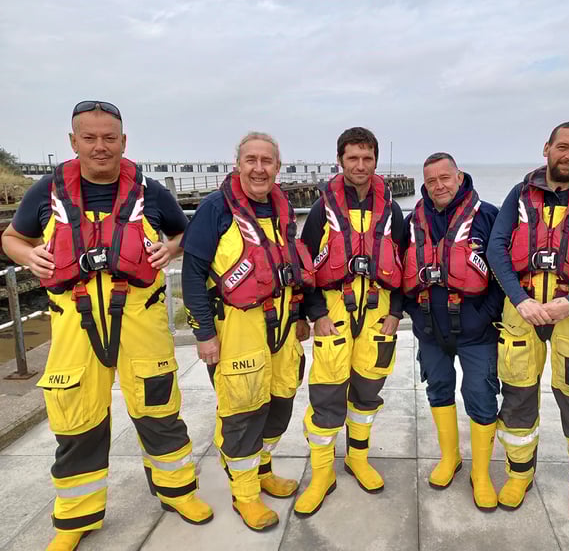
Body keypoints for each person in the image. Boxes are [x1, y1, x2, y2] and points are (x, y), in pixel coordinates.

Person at [1, 101, 212, 551]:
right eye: (90, 137)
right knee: (78, 424)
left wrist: (170, 250)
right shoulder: (46, 193)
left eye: (109, 138)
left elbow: (182, 234)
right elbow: (11, 238)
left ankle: (179, 493)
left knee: (160, 415)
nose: (100, 146)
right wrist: (26, 255)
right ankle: (76, 518)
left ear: (123, 141)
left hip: (142, 326)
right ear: (72, 141)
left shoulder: (151, 193)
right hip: (74, 330)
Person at [486, 121, 569, 527]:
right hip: (522, 311)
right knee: (518, 397)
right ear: (547, 148)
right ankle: (518, 474)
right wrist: (520, 299)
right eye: (563, 146)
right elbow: (496, 247)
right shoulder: (519, 194)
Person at [181, 132, 314, 531]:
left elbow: (291, 266)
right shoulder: (214, 210)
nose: (259, 168)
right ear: (237, 164)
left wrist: (303, 314)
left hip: (284, 326)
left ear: (278, 166)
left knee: (280, 402)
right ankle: (245, 495)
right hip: (237, 327)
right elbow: (192, 275)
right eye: (251, 160)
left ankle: (263, 470)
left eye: (267, 161)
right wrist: (204, 333)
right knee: (241, 412)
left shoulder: (283, 207)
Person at [294, 127, 404, 517]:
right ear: (340, 159)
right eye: (353, 158)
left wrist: (396, 312)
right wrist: (316, 314)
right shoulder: (323, 209)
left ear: (376, 161)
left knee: (367, 395)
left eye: (367, 158)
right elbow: (304, 264)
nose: (361, 165)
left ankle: (358, 457)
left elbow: (404, 262)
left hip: (378, 318)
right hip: (334, 318)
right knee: (326, 399)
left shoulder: (391, 209)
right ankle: (322, 474)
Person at [401, 152, 503, 511]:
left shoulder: (488, 216)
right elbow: (399, 270)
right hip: (430, 330)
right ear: (424, 184)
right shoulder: (411, 221)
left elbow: (503, 272)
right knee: (439, 389)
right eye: (431, 181)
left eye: (446, 177)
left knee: (480, 394)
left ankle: (481, 473)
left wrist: (486, 314)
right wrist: (414, 312)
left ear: (459, 177)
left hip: (478, 332)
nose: (439, 185)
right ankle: (450, 458)